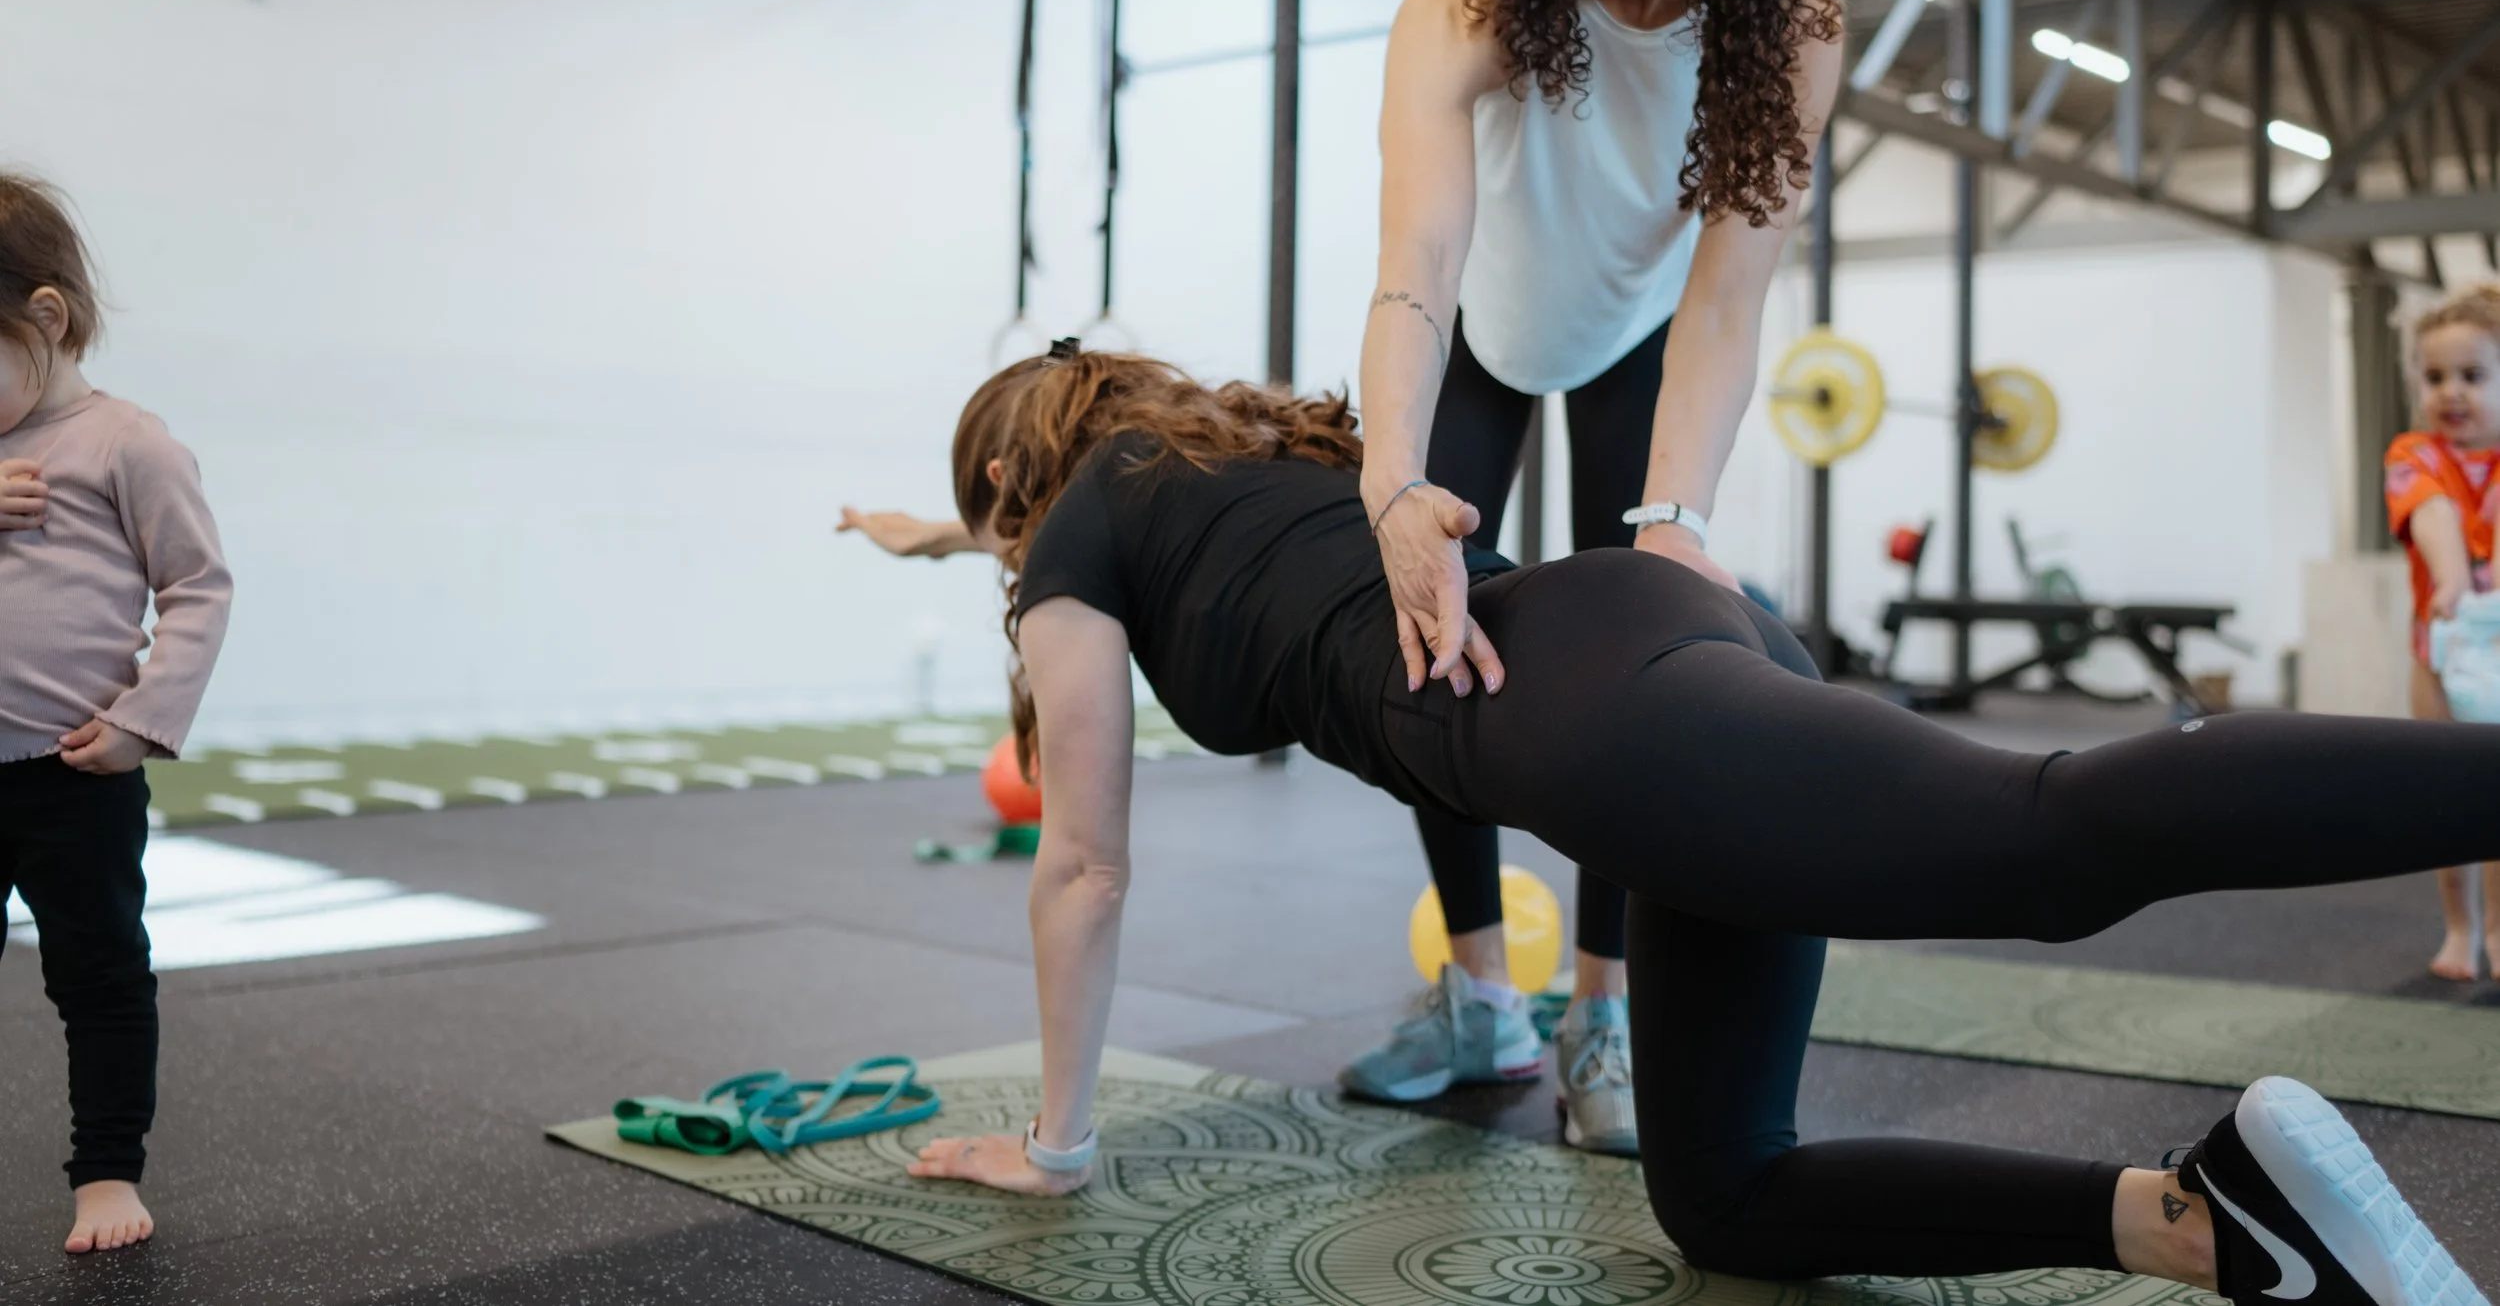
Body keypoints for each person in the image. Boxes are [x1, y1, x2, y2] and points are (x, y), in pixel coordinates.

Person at [904, 347, 2490, 1306]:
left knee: (2044, 835)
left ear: (1012, 490)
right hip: (1637, 652)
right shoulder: (1227, 464)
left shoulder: (1073, 547)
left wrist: (1055, 1145)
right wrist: (939, 535)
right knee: (1724, 1197)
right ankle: (2215, 1226)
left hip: (1607, 726)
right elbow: (1060, 549)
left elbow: (1089, 854)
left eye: (993, 548)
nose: (1006, 582)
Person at [1347, 0, 1846, 1152]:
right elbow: (1416, 261)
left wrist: (1678, 522)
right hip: (1485, 321)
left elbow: (1728, 291)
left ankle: (1602, 1014)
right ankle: (1481, 997)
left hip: (1640, 327)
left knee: (1643, 647)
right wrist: (1386, 482)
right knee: (1439, 626)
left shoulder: (1790, 18)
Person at [0, 173, 233, 1255]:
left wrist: (147, 717)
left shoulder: (125, 444)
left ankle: (104, 1167)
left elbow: (198, 585)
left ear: (44, 320)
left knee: (96, 971)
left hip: (73, 770)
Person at [2383, 283, 2500, 980]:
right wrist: (2453, 580)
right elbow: (2432, 514)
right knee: (2440, 796)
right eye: (2434, 377)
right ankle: (2460, 925)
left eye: (2473, 376)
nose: (2451, 392)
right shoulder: (2414, 452)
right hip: (2439, 652)